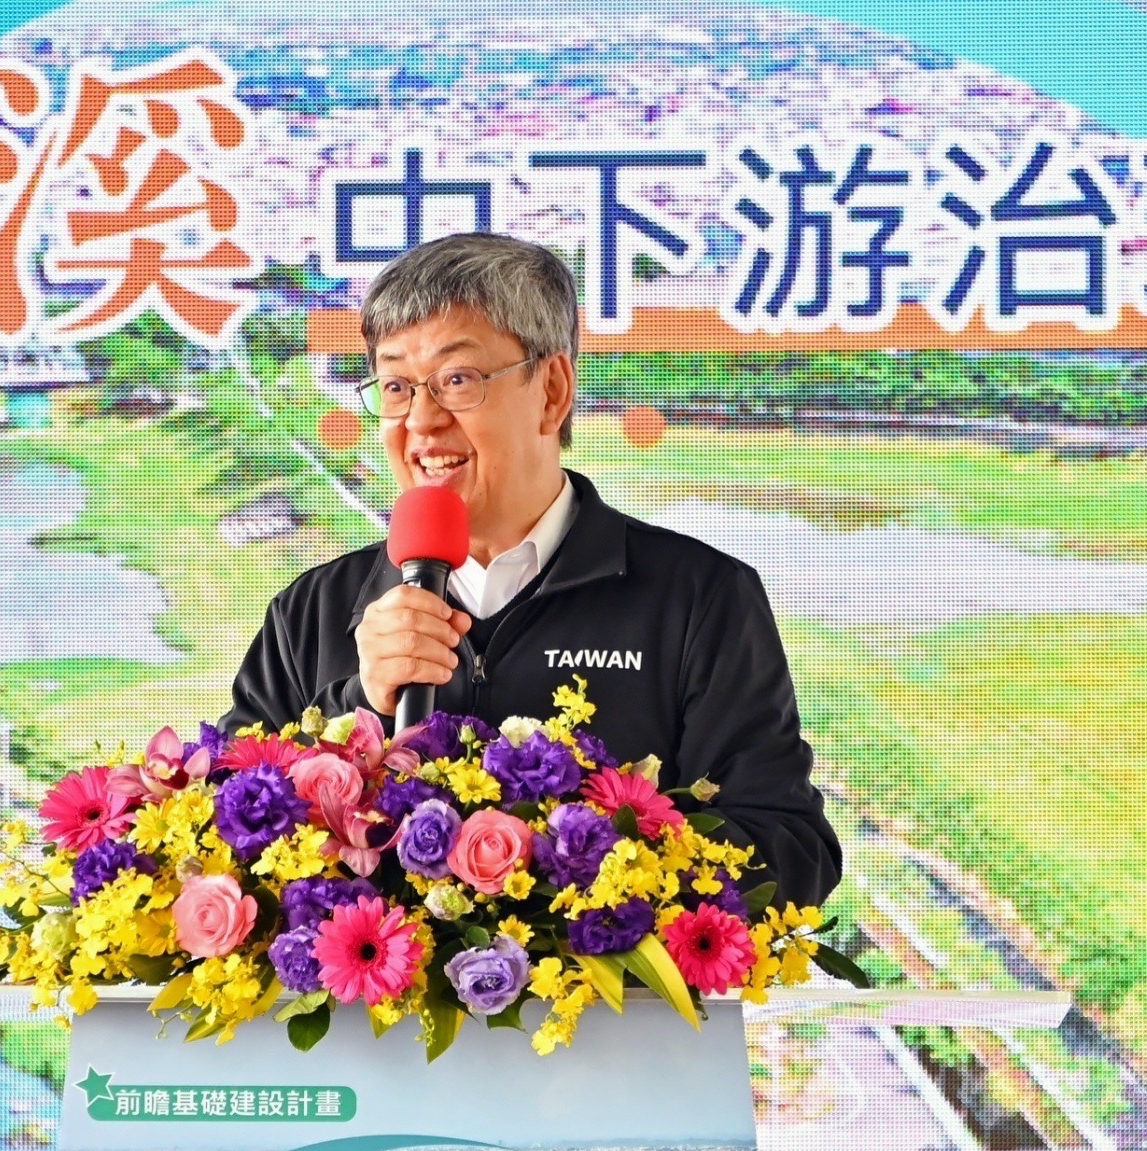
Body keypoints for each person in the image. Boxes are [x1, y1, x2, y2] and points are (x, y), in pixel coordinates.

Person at [223, 233, 840, 907]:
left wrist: (579, 865)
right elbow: (222, 837)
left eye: (457, 380)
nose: (421, 421)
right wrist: (361, 708)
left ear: (551, 391)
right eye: (396, 387)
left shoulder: (699, 598)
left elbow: (792, 851)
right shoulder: (311, 610)